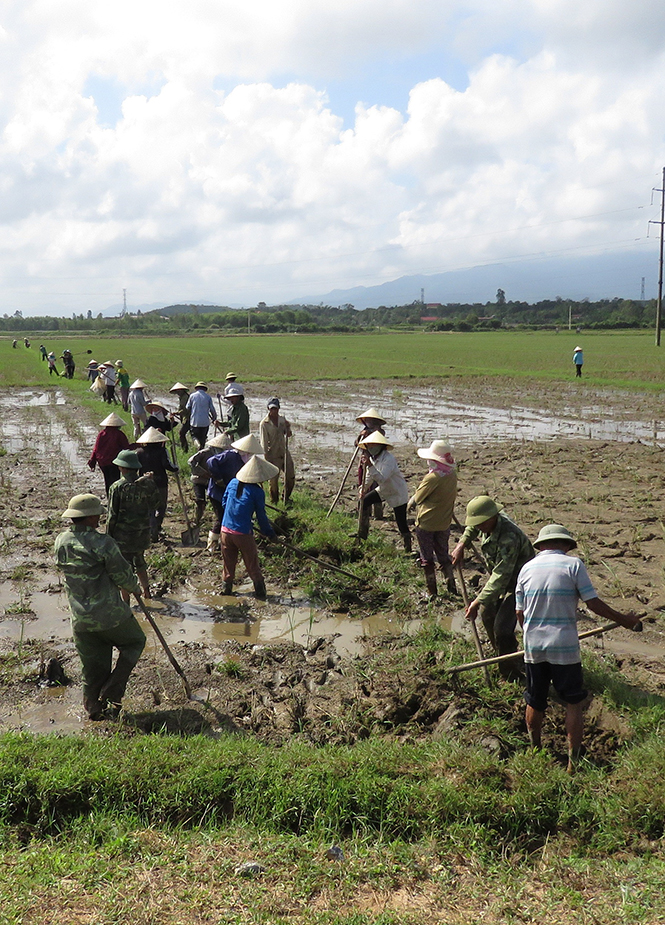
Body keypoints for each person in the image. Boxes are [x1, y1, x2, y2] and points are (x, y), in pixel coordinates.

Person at [516, 524, 641, 772]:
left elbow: (520, 613)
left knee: (535, 699)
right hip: (564, 646)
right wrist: (625, 620)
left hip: (534, 647)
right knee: (573, 702)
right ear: (565, 545)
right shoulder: (573, 565)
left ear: (541, 546)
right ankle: (573, 761)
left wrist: (532, 634)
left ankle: (535, 750)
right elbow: (592, 603)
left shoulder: (526, 569)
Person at [54, 493, 145, 720]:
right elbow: (123, 575)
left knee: (93, 667)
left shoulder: (61, 541)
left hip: (81, 618)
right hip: (110, 615)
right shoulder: (103, 543)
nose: (99, 520)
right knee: (135, 641)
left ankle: (93, 708)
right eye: (97, 516)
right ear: (90, 517)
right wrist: (135, 587)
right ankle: (113, 688)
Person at [451, 496, 534, 680]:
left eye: (481, 523)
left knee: (503, 628)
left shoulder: (508, 538)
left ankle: (509, 670)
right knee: (487, 615)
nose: (478, 527)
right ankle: (501, 652)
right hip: (502, 577)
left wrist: (477, 600)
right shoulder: (486, 520)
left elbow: (500, 577)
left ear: (492, 518)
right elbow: (472, 527)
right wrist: (461, 544)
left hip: (521, 583)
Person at [221, 454, 279, 599]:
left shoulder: (233, 483)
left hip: (225, 531)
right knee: (252, 564)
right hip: (242, 534)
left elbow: (224, 503)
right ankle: (261, 593)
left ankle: (226, 590)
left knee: (228, 564)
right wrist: (270, 534)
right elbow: (261, 517)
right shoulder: (257, 492)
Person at [107, 450, 161, 600]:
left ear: (122, 468)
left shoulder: (117, 487)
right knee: (140, 561)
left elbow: (112, 514)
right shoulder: (147, 484)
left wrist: (108, 536)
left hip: (123, 535)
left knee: (125, 568)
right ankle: (147, 592)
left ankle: (126, 600)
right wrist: (150, 483)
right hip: (142, 532)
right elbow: (156, 504)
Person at [408, 439, 458, 598]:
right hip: (444, 522)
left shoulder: (433, 478)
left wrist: (410, 503)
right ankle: (451, 586)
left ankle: (432, 592)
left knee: (427, 557)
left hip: (427, 522)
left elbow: (419, 497)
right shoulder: (451, 475)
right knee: (443, 554)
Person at [205, 433, 263, 553]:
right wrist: (218, 479)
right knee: (221, 518)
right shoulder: (230, 455)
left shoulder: (246, 462)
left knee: (227, 517)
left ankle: (224, 541)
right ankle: (211, 544)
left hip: (229, 493)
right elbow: (211, 462)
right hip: (217, 491)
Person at [358, 432, 411, 552]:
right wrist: (363, 488)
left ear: (380, 446)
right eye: (369, 445)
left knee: (401, 521)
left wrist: (370, 466)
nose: (371, 448)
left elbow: (382, 478)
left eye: (373, 445)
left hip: (397, 491)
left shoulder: (388, 459)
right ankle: (362, 532)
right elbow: (369, 476)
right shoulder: (372, 458)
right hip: (384, 489)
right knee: (364, 501)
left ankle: (408, 547)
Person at [135, 426, 179, 541]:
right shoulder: (161, 451)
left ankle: (151, 529)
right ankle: (156, 528)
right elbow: (166, 465)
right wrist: (175, 468)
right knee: (161, 506)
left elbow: (134, 468)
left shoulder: (139, 452)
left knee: (149, 508)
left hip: (144, 482)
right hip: (160, 482)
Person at [188, 432, 230, 527]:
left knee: (217, 500)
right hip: (199, 480)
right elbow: (191, 462)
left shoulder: (223, 456)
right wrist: (202, 473)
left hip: (211, 482)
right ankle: (197, 521)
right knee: (200, 501)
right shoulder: (205, 452)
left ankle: (219, 519)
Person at [260, 397, 295, 503]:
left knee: (290, 477)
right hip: (272, 454)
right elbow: (264, 442)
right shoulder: (264, 424)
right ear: (268, 409)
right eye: (271, 409)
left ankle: (286, 497)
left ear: (278, 409)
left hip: (284, 452)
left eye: (275, 409)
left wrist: (288, 429)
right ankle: (274, 501)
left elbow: (287, 433)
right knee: (273, 482)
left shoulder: (282, 420)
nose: (273, 411)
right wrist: (265, 458)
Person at [355, 407, 387, 520]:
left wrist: (369, 434)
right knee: (363, 486)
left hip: (376, 463)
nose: (369, 423)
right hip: (364, 462)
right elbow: (357, 444)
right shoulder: (364, 431)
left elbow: (379, 445)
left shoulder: (380, 432)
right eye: (367, 420)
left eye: (371, 420)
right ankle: (364, 512)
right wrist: (361, 436)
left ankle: (378, 514)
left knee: (375, 488)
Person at [88, 412, 130, 495]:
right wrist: (138, 445)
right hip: (114, 462)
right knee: (115, 481)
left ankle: (109, 497)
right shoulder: (119, 434)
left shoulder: (101, 434)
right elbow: (126, 447)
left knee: (107, 480)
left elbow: (96, 448)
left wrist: (92, 461)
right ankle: (115, 499)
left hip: (102, 462)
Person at [186, 381, 217, 448]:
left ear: (197, 388)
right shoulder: (208, 397)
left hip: (194, 422)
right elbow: (212, 409)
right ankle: (201, 449)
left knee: (194, 436)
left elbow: (188, 407)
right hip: (205, 422)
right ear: (204, 389)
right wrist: (214, 418)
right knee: (203, 438)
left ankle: (198, 445)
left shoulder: (192, 396)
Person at [169, 382, 190, 450]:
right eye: (177, 391)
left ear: (182, 390)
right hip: (185, 418)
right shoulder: (182, 397)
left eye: (179, 391)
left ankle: (185, 449)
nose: (178, 392)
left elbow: (186, 409)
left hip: (189, 418)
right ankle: (185, 448)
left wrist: (177, 413)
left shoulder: (185, 397)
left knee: (182, 433)